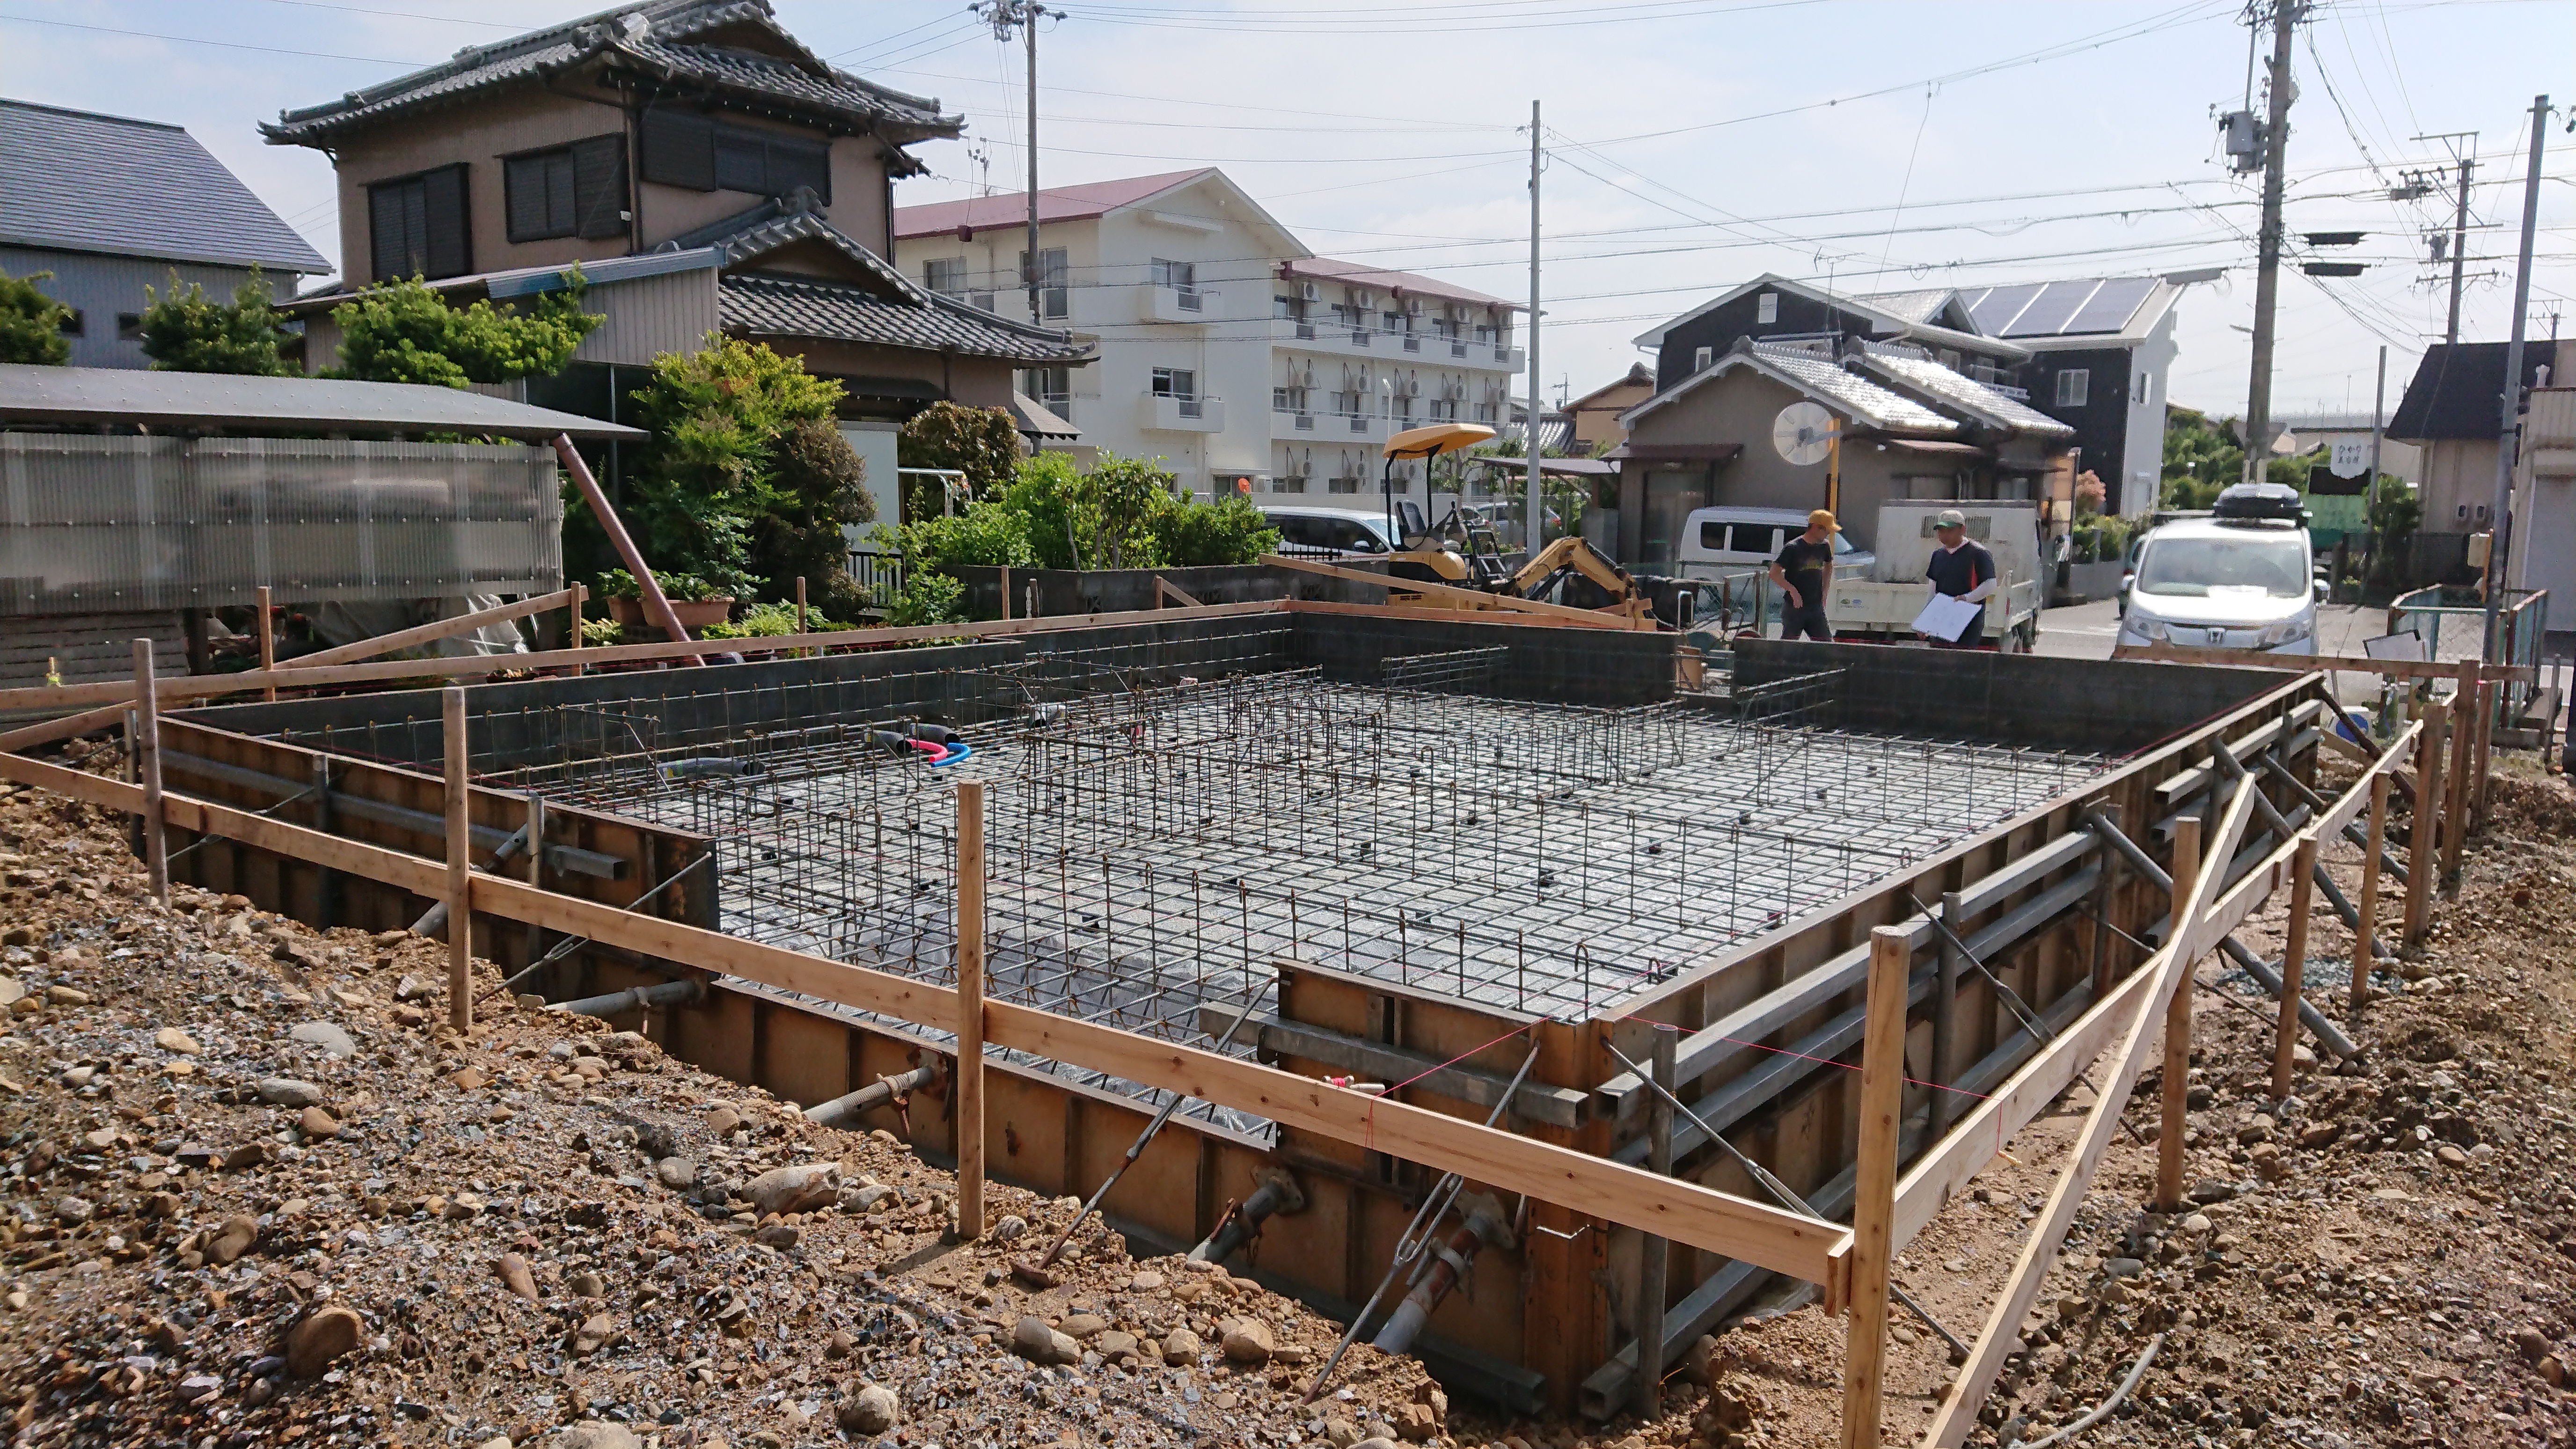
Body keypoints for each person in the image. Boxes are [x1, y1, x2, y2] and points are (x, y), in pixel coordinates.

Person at [1922, 508, 1999, 648]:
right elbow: (1932, 589)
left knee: (1963, 660)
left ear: (1962, 530)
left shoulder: (1978, 553)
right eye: (1941, 531)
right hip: (1942, 618)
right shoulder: (1938, 555)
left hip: (1968, 619)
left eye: (1949, 531)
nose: (1944, 535)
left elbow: (1990, 583)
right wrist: (1925, 622)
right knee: (1938, 659)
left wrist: (1966, 598)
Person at [1770, 509, 1840, 642]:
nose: (1828, 534)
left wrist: (1825, 590)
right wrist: (1792, 591)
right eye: (1826, 530)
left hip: (1816, 608)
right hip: (1795, 608)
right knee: (1789, 647)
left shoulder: (1824, 546)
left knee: (1826, 646)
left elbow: (1829, 565)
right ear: (1816, 528)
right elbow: (1774, 573)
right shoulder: (1793, 548)